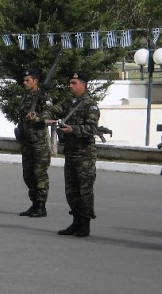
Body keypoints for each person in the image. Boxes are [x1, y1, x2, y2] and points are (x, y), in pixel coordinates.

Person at [43, 72, 99, 237]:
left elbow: (91, 129)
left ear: (83, 85)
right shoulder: (69, 103)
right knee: (71, 191)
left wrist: (72, 129)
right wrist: (44, 117)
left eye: (74, 83)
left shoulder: (90, 105)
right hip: (70, 154)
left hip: (85, 156)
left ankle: (85, 224)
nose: (70, 86)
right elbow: (53, 111)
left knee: (85, 191)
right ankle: (75, 221)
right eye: (70, 82)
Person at [16, 68, 51, 218]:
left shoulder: (44, 97)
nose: (24, 83)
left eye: (27, 80)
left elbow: (48, 115)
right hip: (26, 141)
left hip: (39, 143)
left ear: (35, 81)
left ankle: (41, 206)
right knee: (28, 174)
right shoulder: (25, 97)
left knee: (39, 174)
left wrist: (37, 118)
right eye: (24, 80)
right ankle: (34, 203)